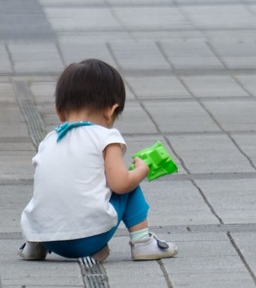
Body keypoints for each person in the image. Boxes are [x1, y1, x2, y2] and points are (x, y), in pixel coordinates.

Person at [19, 58, 178, 263]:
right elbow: (120, 185)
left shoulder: (49, 140)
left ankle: (33, 246)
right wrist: (142, 170)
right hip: (88, 239)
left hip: (49, 239)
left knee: (50, 187)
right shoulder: (106, 138)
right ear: (111, 111)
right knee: (130, 186)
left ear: (59, 111)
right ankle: (143, 243)